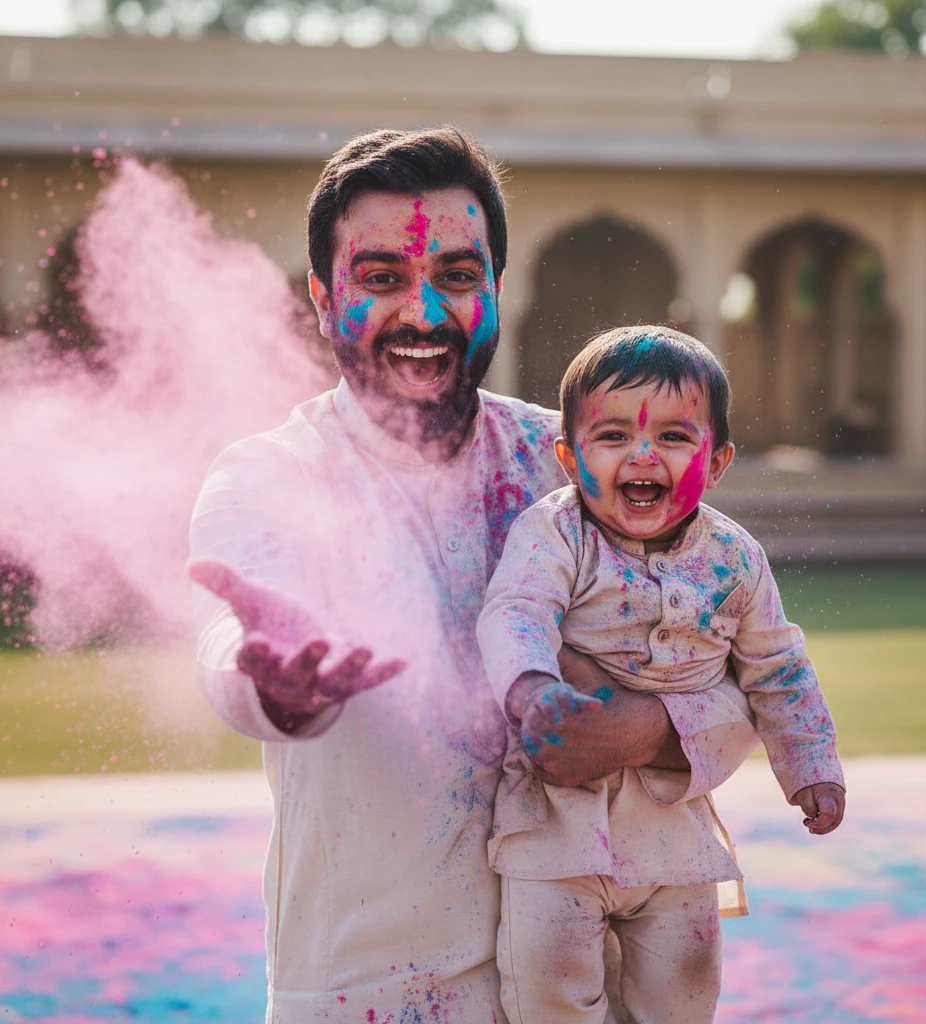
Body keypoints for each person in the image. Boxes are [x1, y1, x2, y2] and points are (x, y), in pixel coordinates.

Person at [187, 127, 760, 1022]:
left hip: (588, 992)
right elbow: (229, 648)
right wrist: (277, 682)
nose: (424, 312)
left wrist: (641, 732)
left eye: (457, 276)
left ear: (497, 285)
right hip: (368, 994)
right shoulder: (274, 475)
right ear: (322, 297)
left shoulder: (575, 466)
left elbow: (746, 679)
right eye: (381, 278)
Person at [477, 326, 846, 1024]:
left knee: (684, 989)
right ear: (568, 456)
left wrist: (812, 767)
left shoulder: (735, 558)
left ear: (719, 460)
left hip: (676, 835)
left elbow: (778, 667)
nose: (643, 455)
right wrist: (531, 688)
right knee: (548, 991)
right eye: (613, 436)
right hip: (553, 830)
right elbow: (516, 611)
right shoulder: (555, 534)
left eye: (674, 437)